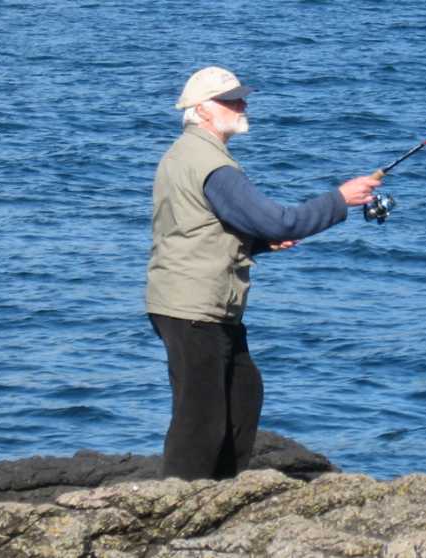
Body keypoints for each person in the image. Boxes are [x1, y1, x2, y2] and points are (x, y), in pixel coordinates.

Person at [146, 66, 381, 481]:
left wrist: (257, 244)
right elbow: (280, 221)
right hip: (193, 306)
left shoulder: (186, 154)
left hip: (197, 303)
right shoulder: (212, 166)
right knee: (200, 421)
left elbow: (194, 228)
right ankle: (179, 502)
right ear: (202, 110)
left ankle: (220, 493)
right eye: (230, 100)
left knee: (243, 394)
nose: (242, 104)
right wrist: (340, 199)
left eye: (241, 97)